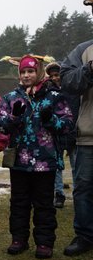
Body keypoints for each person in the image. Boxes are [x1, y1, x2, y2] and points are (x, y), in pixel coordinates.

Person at [0, 55, 73, 259]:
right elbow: (0, 125)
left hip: (45, 161)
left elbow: (67, 126)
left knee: (44, 204)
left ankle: (44, 242)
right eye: (23, 72)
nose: (26, 75)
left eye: (30, 71)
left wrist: (51, 119)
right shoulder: (11, 97)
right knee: (19, 202)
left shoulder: (55, 96)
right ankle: (18, 239)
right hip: (19, 161)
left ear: (39, 72)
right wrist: (13, 117)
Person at [60, 0, 93, 257]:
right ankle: (85, 236)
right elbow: (68, 82)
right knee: (84, 188)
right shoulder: (84, 50)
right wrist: (89, 69)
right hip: (88, 135)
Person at [45, 62, 76, 209]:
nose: (55, 78)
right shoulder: (49, 93)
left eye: (57, 75)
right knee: (57, 167)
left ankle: (79, 195)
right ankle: (59, 194)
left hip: (73, 133)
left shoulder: (72, 89)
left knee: (77, 166)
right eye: (51, 76)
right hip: (56, 135)